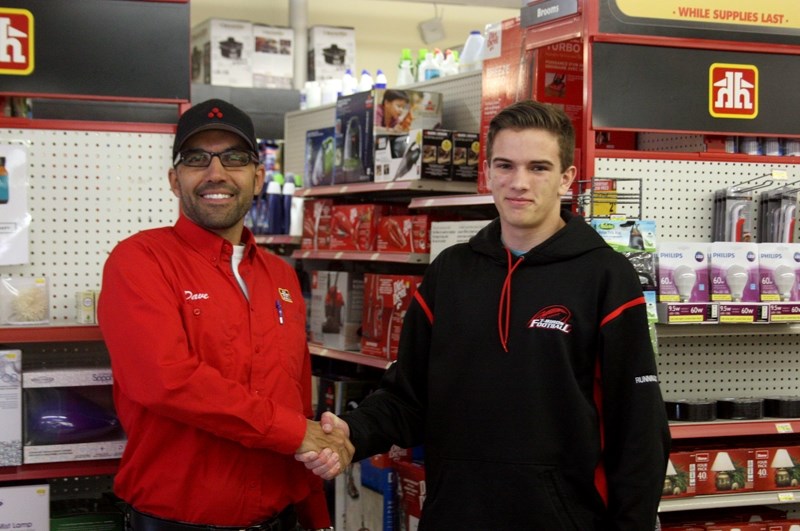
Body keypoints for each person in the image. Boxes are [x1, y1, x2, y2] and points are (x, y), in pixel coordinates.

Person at [298, 99, 671, 530]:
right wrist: (351, 433)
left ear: (566, 178)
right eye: (505, 166)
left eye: (538, 168)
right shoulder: (450, 272)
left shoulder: (606, 275)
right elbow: (406, 397)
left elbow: (638, 428)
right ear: (488, 173)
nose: (519, 182)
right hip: (455, 517)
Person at [98, 99, 349, 531]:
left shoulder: (281, 275)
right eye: (197, 159)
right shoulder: (139, 261)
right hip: (175, 522)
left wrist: (316, 515)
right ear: (175, 181)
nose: (216, 173)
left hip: (281, 518)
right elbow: (166, 380)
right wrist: (295, 432)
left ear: (258, 177)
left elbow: (294, 397)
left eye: (234, 158)